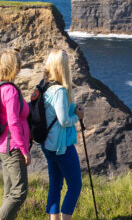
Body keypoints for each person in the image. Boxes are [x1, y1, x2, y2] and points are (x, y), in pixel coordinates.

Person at [41, 49, 84, 220]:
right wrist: (77, 117)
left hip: (48, 144)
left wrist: (71, 108)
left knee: (55, 185)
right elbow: (64, 121)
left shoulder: (45, 86)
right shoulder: (59, 91)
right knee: (75, 186)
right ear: (62, 67)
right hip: (61, 147)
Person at [0, 49, 31, 220]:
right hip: (13, 147)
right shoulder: (10, 91)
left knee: (9, 193)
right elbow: (13, 122)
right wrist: (24, 150)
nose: (21, 66)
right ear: (14, 66)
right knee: (19, 192)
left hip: (2, 146)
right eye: (19, 63)